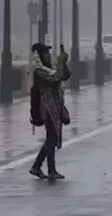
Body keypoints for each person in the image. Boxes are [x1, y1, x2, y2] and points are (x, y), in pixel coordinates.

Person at [29, 43, 70, 180]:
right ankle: (51, 170)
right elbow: (55, 78)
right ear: (39, 56)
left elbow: (64, 76)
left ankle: (36, 166)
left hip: (55, 107)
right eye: (45, 53)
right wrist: (60, 63)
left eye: (48, 53)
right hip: (47, 108)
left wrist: (64, 62)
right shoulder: (39, 72)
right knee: (52, 137)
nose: (48, 55)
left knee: (51, 138)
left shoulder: (50, 69)